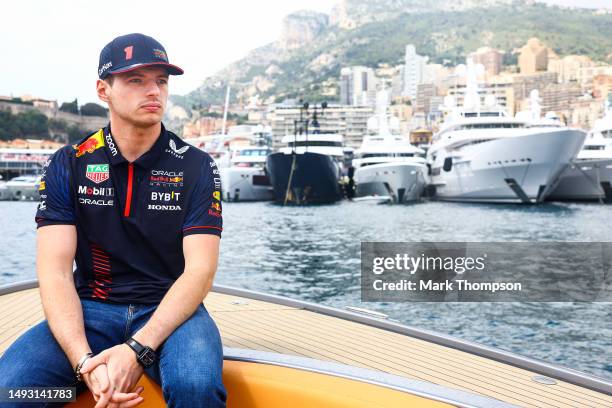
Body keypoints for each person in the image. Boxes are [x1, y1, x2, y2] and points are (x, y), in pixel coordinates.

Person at [0, 33, 226, 408]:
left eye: (161, 81)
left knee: (196, 387)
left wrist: (137, 349)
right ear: (103, 90)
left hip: (169, 309)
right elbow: (54, 272)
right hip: (90, 307)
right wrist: (84, 363)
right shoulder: (69, 163)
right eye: (136, 80)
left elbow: (200, 271)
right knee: (11, 392)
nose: (153, 91)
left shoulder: (197, 166)